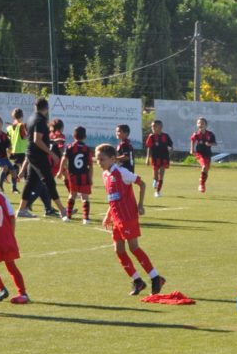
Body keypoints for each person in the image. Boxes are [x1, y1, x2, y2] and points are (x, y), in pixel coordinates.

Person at [95, 144, 165, 295]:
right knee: (119, 250)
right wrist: (108, 214)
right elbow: (113, 197)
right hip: (116, 218)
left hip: (128, 216)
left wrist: (140, 204)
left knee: (134, 248)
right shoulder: (105, 175)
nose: (98, 162)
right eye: (97, 159)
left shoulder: (122, 172)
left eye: (102, 159)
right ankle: (138, 281)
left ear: (112, 159)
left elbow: (142, 183)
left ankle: (155, 278)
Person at [15, 98, 64, 220]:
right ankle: (63, 210)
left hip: (32, 154)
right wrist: (51, 153)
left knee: (31, 182)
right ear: (46, 108)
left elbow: (33, 138)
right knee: (49, 182)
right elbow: (37, 139)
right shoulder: (41, 120)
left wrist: (51, 141)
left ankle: (21, 209)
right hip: (38, 155)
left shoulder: (31, 118)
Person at [0, 187, 30, 304]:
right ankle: (23, 294)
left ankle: (1, 289)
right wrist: (11, 235)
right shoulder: (1, 196)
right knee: (11, 266)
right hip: (6, 238)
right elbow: (12, 216)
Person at [59, 126, 93, 224]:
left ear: (73, 136)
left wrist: (60, 171)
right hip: (84, 176)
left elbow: (63, 159)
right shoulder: (87, 149)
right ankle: (86, 218)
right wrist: (90, 178)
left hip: (73, 175)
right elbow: (90, 165)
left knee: (72, 195)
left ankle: (68, 217)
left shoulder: (70, 147)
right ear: (85, 136)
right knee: (85, 197)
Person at [144, 119, 173, 198]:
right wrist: (147, 158)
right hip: (155, 158)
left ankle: (157, 191)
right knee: (156, 175)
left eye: (154, 126)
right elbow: (149, 148)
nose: (152, 127)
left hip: (164, 158)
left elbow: (171, 146)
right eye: (152, 126)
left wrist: (170, 151)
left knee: (161, 175)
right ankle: (155, 180)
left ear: (160, 127)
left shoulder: (166, 136)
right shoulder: (151, 136)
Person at [0, 114, 19, 193]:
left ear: (1, 124)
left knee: (14, 172)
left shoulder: (3, 135)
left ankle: (14, 189)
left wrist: (10, 149)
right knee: (4, 168)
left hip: (4, 157)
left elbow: (8, 145)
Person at [190, 117, 217, 193]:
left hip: (207, 154)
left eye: (202, 123)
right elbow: (192, 140)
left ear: (206, 125)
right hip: (199, 154)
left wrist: (209, 144)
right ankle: (201, 185)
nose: (200, 124)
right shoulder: (196, 134)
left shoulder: (210, 134)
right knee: (204, 166)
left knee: (206, 171)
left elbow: (215, 143)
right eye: (199, 123)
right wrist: (192, 149)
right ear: (197, 125)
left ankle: (202, 183)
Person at [7, 108, 26, 193]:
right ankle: (6, 174)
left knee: (19, 169)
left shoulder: (9, 127)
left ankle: (14, 187)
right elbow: (24, 136)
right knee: (18, 167)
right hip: (20, 150)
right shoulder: (21, 125)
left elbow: (8, 139)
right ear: (22, 116)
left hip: (13, 150)